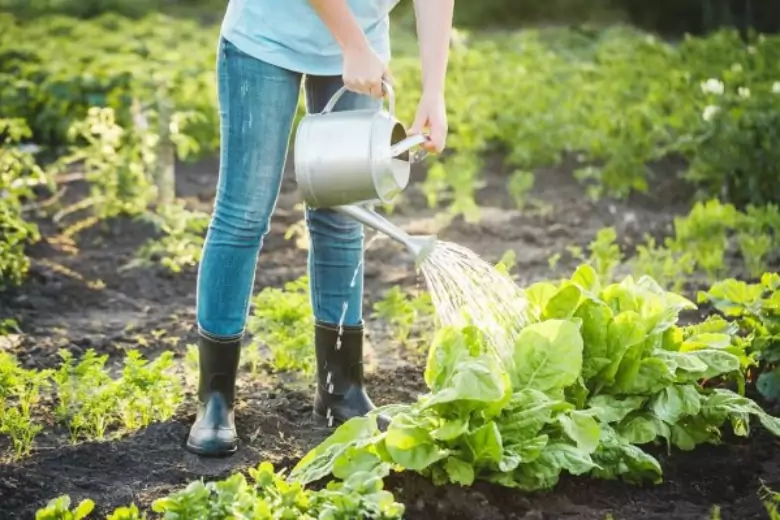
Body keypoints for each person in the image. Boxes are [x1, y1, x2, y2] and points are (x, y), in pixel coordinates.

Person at [187, 0, 454, 457]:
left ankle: (341, 389)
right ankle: (216, 398)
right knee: (244, 213)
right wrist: (352, 43)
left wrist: (434, 90)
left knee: (343, 211)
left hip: (361, 50)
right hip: (266, 37)